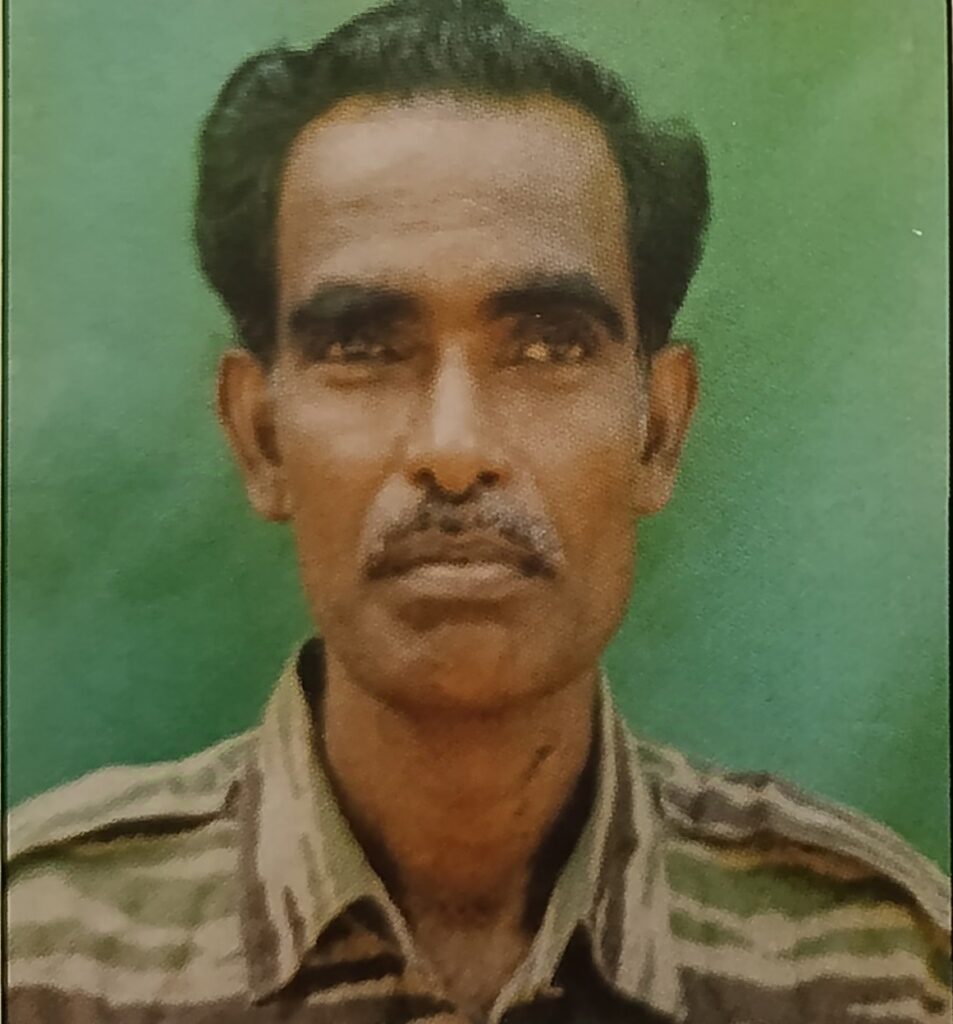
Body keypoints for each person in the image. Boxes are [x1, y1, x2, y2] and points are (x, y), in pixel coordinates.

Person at [5, 1, 950, 1021]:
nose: (454, 450)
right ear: (260, 438)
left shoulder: (874, 964)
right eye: (363, 346)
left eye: (548, 346)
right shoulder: (42, 954)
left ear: (658, 431)